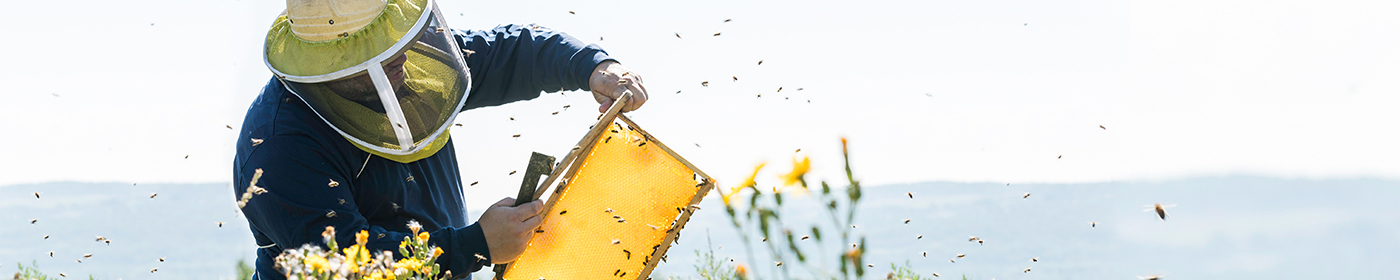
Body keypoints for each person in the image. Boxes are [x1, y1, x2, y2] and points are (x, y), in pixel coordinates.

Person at [233, 0, 648, 278]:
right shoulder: (278, 147)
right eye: (377, 52)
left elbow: (509, 51)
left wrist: (594, 67)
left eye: (392, 37)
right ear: (331, 64)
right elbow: (344, 261)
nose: (399, 57)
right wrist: (475, 244)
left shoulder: (405, 66)